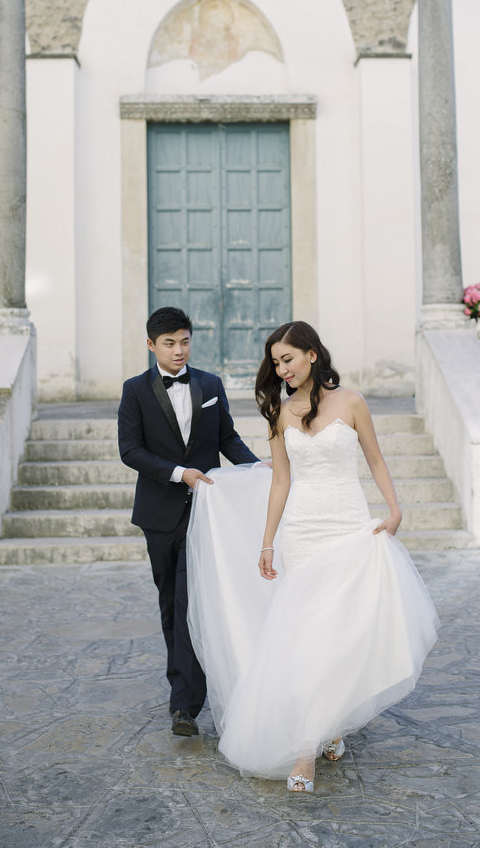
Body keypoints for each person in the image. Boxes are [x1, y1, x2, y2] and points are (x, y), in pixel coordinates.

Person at [187, 321, 439, 791]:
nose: (281, 370)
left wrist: (395, 509)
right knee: (307, 638)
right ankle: (305, 752)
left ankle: (331, 722)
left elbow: (375, 459)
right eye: (276, 363)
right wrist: (267, 541)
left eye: (288, 359)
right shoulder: (280, 414)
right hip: (302, 533)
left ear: (312, 356)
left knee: (342, 635)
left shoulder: (352, 401)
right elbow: (280, 482)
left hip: (347, 525)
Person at [118, 307, 259, 737]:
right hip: (160, 514)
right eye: (169, 343)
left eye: (184, 341)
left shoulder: (210, 384)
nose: (179, 350)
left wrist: (258, 470)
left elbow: (226, 439)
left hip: (208, 513)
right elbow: (130, 450)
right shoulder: (135, 390)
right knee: (171, 601)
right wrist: (181, 475)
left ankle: (185, 706)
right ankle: (183, 690)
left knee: (195, 601)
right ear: (150, 345)